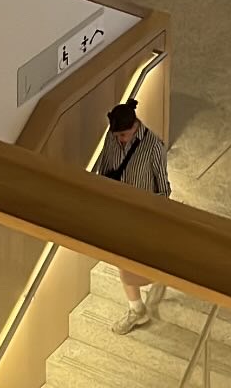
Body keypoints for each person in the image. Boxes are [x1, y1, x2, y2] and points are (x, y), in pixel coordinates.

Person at [94, 97, 171, 334]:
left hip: (142, 215)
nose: (119, 140)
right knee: (123, 261)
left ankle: (152, 285)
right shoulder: (112, 138)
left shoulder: (153, 147)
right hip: (117, 212)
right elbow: (103, 169)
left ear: (135, 126)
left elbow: (163, 188)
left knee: (137, 261)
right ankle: (136, 308)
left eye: (123, 136)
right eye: (117, 136)